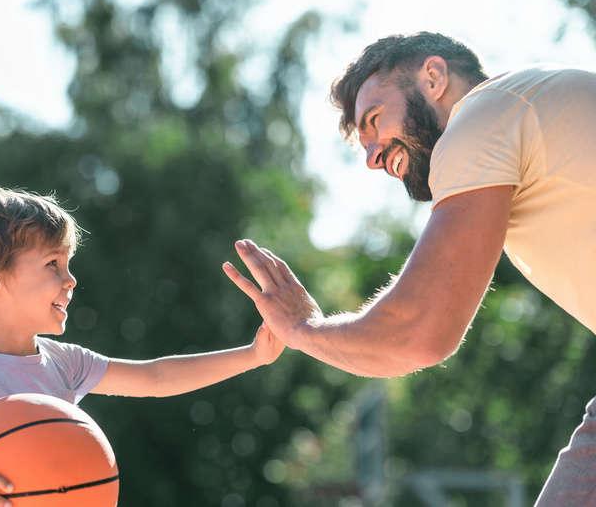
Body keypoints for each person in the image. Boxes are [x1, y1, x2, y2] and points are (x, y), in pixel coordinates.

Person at [222, 32, 596, 505]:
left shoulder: (480, 117)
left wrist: (300, 328)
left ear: (434, 77)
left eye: (375, 120)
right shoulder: (527, 110)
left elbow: (418, 331)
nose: (373, 157)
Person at [0, 187, 284, 507]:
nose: (70, 280)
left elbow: (156, 376)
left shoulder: (65, 362)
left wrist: (253, 355)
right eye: (52, 264)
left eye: (68, 264)